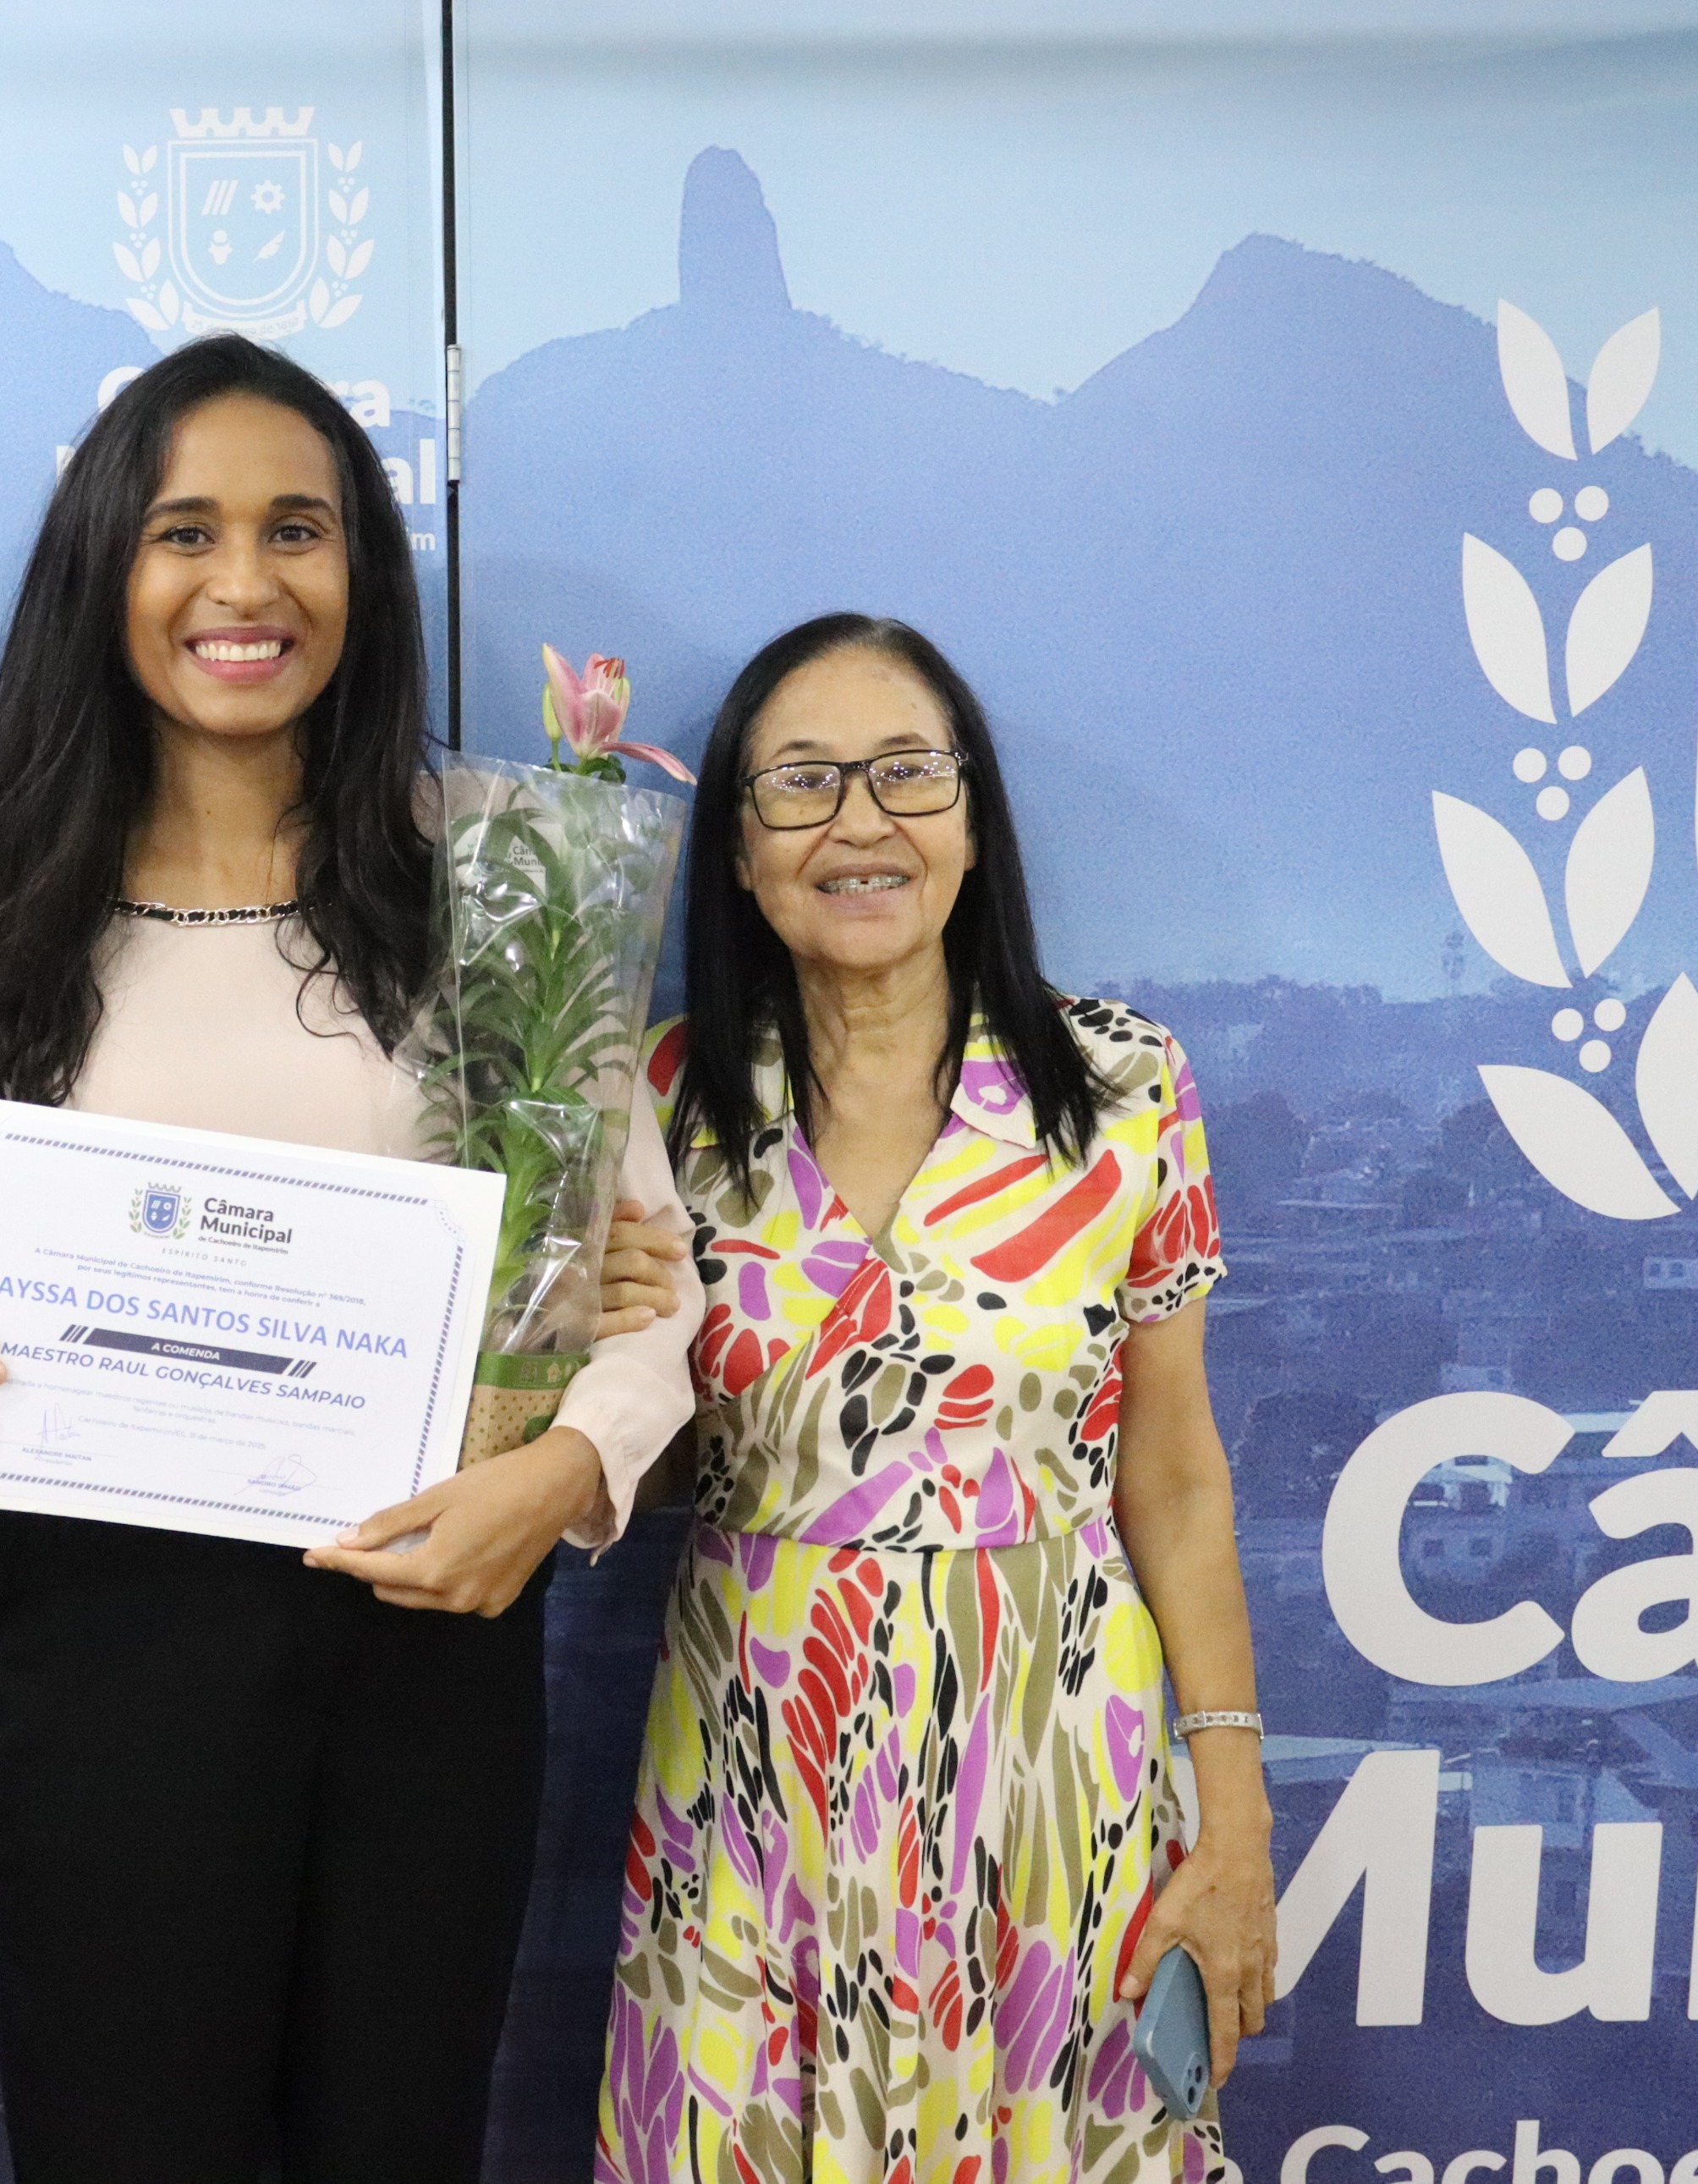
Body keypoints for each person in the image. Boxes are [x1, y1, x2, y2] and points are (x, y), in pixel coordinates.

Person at [0, 331, 692, 2184]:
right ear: (104, 570)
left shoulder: (505, 869)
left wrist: (561, 1478)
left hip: (429, 1639)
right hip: (102, 1664)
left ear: (365, 572)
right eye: (184, 532)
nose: (244, 585)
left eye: (298, 531)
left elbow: (647, 1286)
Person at [592, 613, 1275, 2184]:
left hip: (1057, 1775)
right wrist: (601, 1339)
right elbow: (658, 1469)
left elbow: (1174, 1477)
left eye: (907, 771)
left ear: (972, 820)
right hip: (757, 1768)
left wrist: (1233, 1817)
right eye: (802, 782)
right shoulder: (664, 1099)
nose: (861, 821)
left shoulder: (1125, 1089)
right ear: (739, 850)